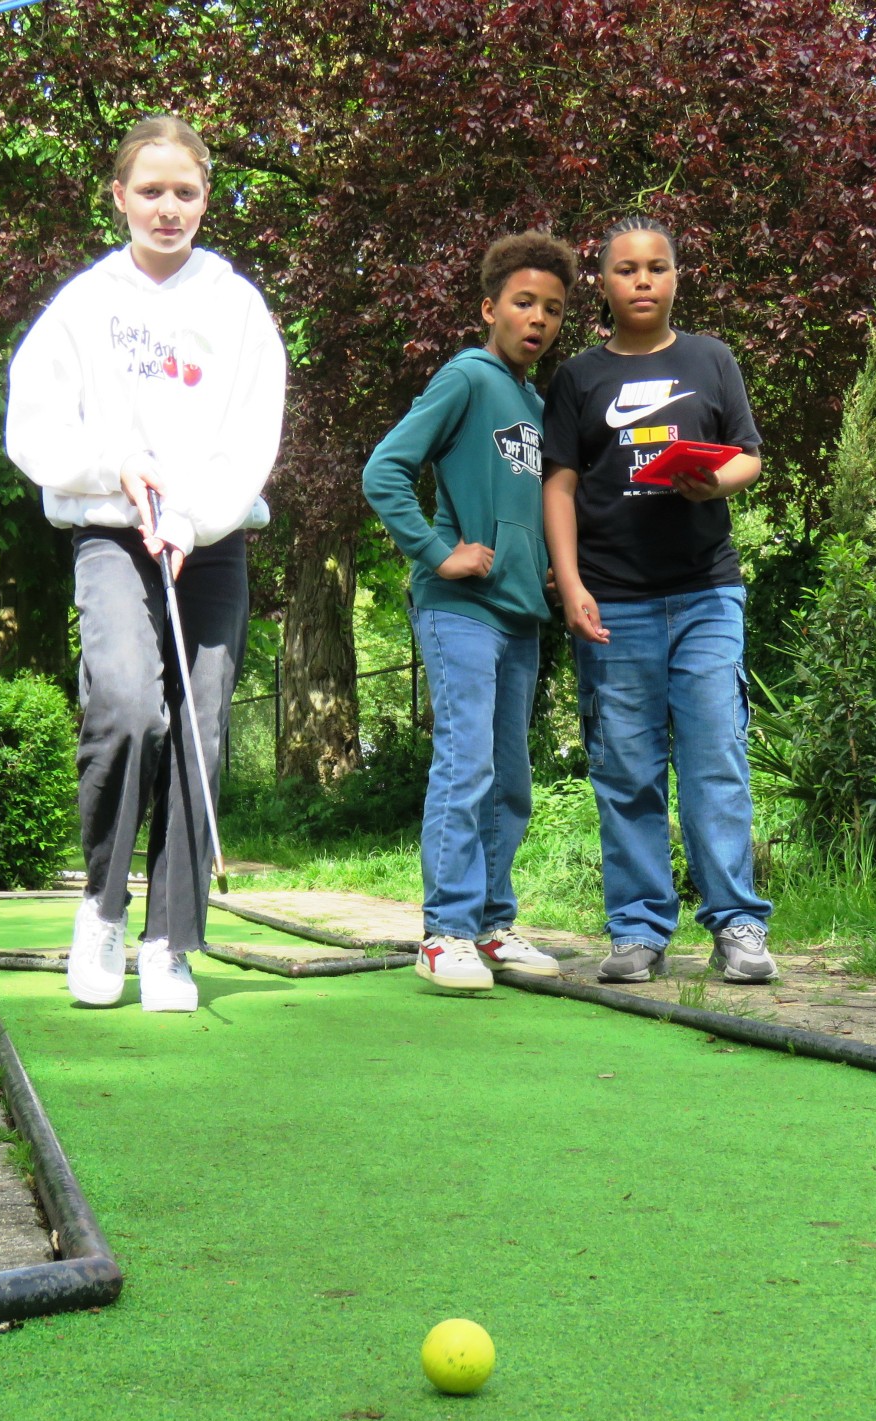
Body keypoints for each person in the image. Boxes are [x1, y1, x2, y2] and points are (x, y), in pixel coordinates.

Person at [4, 115, 287, 1013]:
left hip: (209, 541)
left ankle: (171, 941)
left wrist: (196, 521)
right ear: (119, 197)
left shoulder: (237, 307)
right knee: (126, 705)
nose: (170, 208)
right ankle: (100, 908)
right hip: (111, 534)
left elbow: (252, 434)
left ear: (208, 199)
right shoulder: (84, 304)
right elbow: (37, 426)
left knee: (198, 729)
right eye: (152, 191)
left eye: (188, 192)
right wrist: (113, 473)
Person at [539, 215, 777, 984]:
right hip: (614, 606)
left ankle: (737, 924)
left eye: (657, 268)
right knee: (627, 770)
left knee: (716, 761)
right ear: (601, 283)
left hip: (707, 595)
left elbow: (748, 457)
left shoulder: (711, 360)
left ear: (677, 279)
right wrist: (571, 585)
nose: (643, 281)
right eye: (627, 270)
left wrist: (715, 481)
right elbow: (560, 485)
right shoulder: (578, 378)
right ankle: (638, 930)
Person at [362, 231, 579, 991]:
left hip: (520, 615)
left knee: (511, 777)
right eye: (523, 303)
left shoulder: (533, 403)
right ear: (490, 308)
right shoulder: (468, 376)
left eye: (552, 309)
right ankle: (443, 931)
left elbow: (530, 505)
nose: (538, 319)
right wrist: (434, 548)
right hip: (461, 608)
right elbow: (384, 469)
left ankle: (491, 926)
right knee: (467, 763)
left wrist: (547, 572)